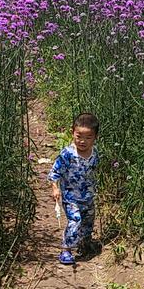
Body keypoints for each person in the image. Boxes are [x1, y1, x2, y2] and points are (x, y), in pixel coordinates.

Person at [47, 112, 101, 266]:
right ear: (72, 133)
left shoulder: (94, 153)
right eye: (79, 136)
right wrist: (55, 188)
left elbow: (94, 170)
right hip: (71, 197)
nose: (82, 141)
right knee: (75, 221)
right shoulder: (67, 154)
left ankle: (84, 244)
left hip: (88, 196)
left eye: (88, 137)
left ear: (95, 137)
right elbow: (54, 173)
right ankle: (66, 249)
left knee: (88, 221)